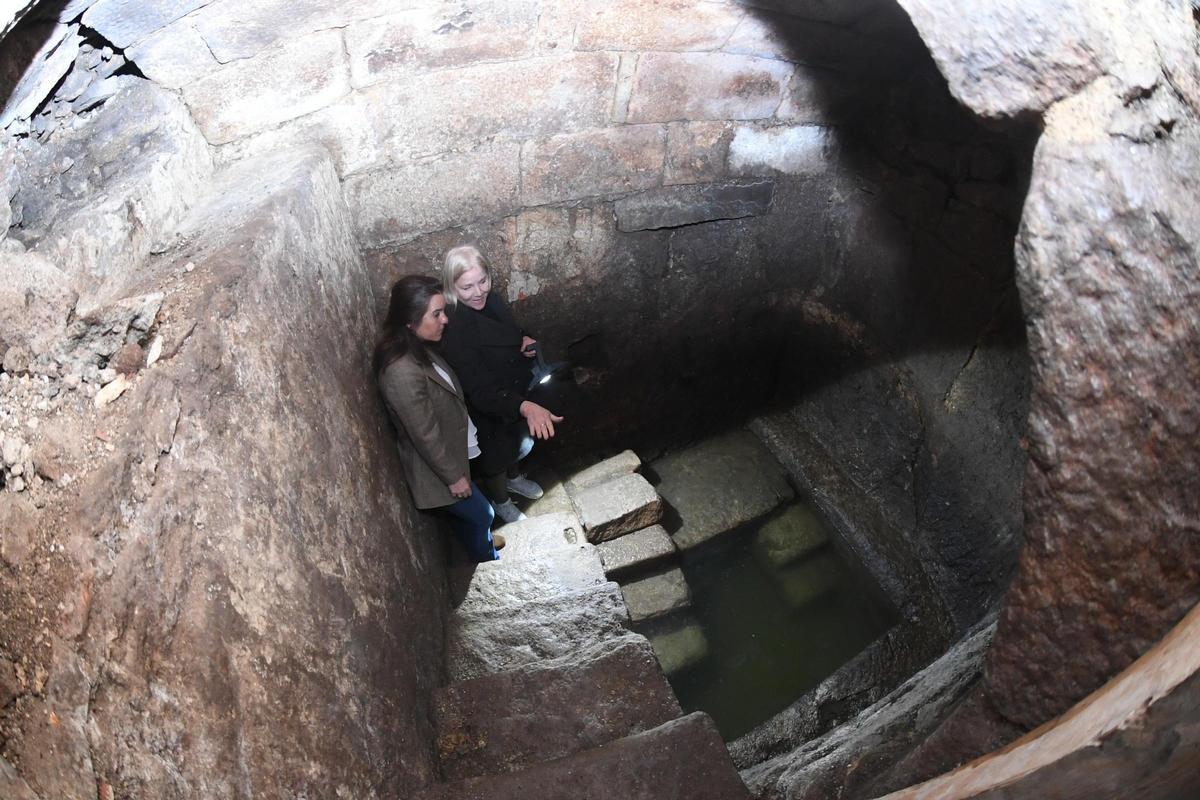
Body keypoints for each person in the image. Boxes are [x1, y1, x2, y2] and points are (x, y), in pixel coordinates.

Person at [374, 275, 503, 562]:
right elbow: (424, 434)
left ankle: (478, 540)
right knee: (484, 513)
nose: (445, 319)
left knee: (476, 517)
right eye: (436, 314)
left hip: (449, 453)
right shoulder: (401, 371)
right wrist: (453, 478)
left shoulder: (416, 346)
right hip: (436, 471)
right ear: (410, 321)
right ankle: (487, 558)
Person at [440, 245, 563, 524]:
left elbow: (508, 332)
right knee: (495, 457)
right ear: (452, 287)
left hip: (513, 387)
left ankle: (514, 478)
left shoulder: (490, 300)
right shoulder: (455, 328)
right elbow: (479, 389)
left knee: (517, 443)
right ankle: (501, 500)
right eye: (467, 287)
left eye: (482, 281)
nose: (478, 292)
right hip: (488, 403)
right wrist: (524, 406)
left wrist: (522, 341)